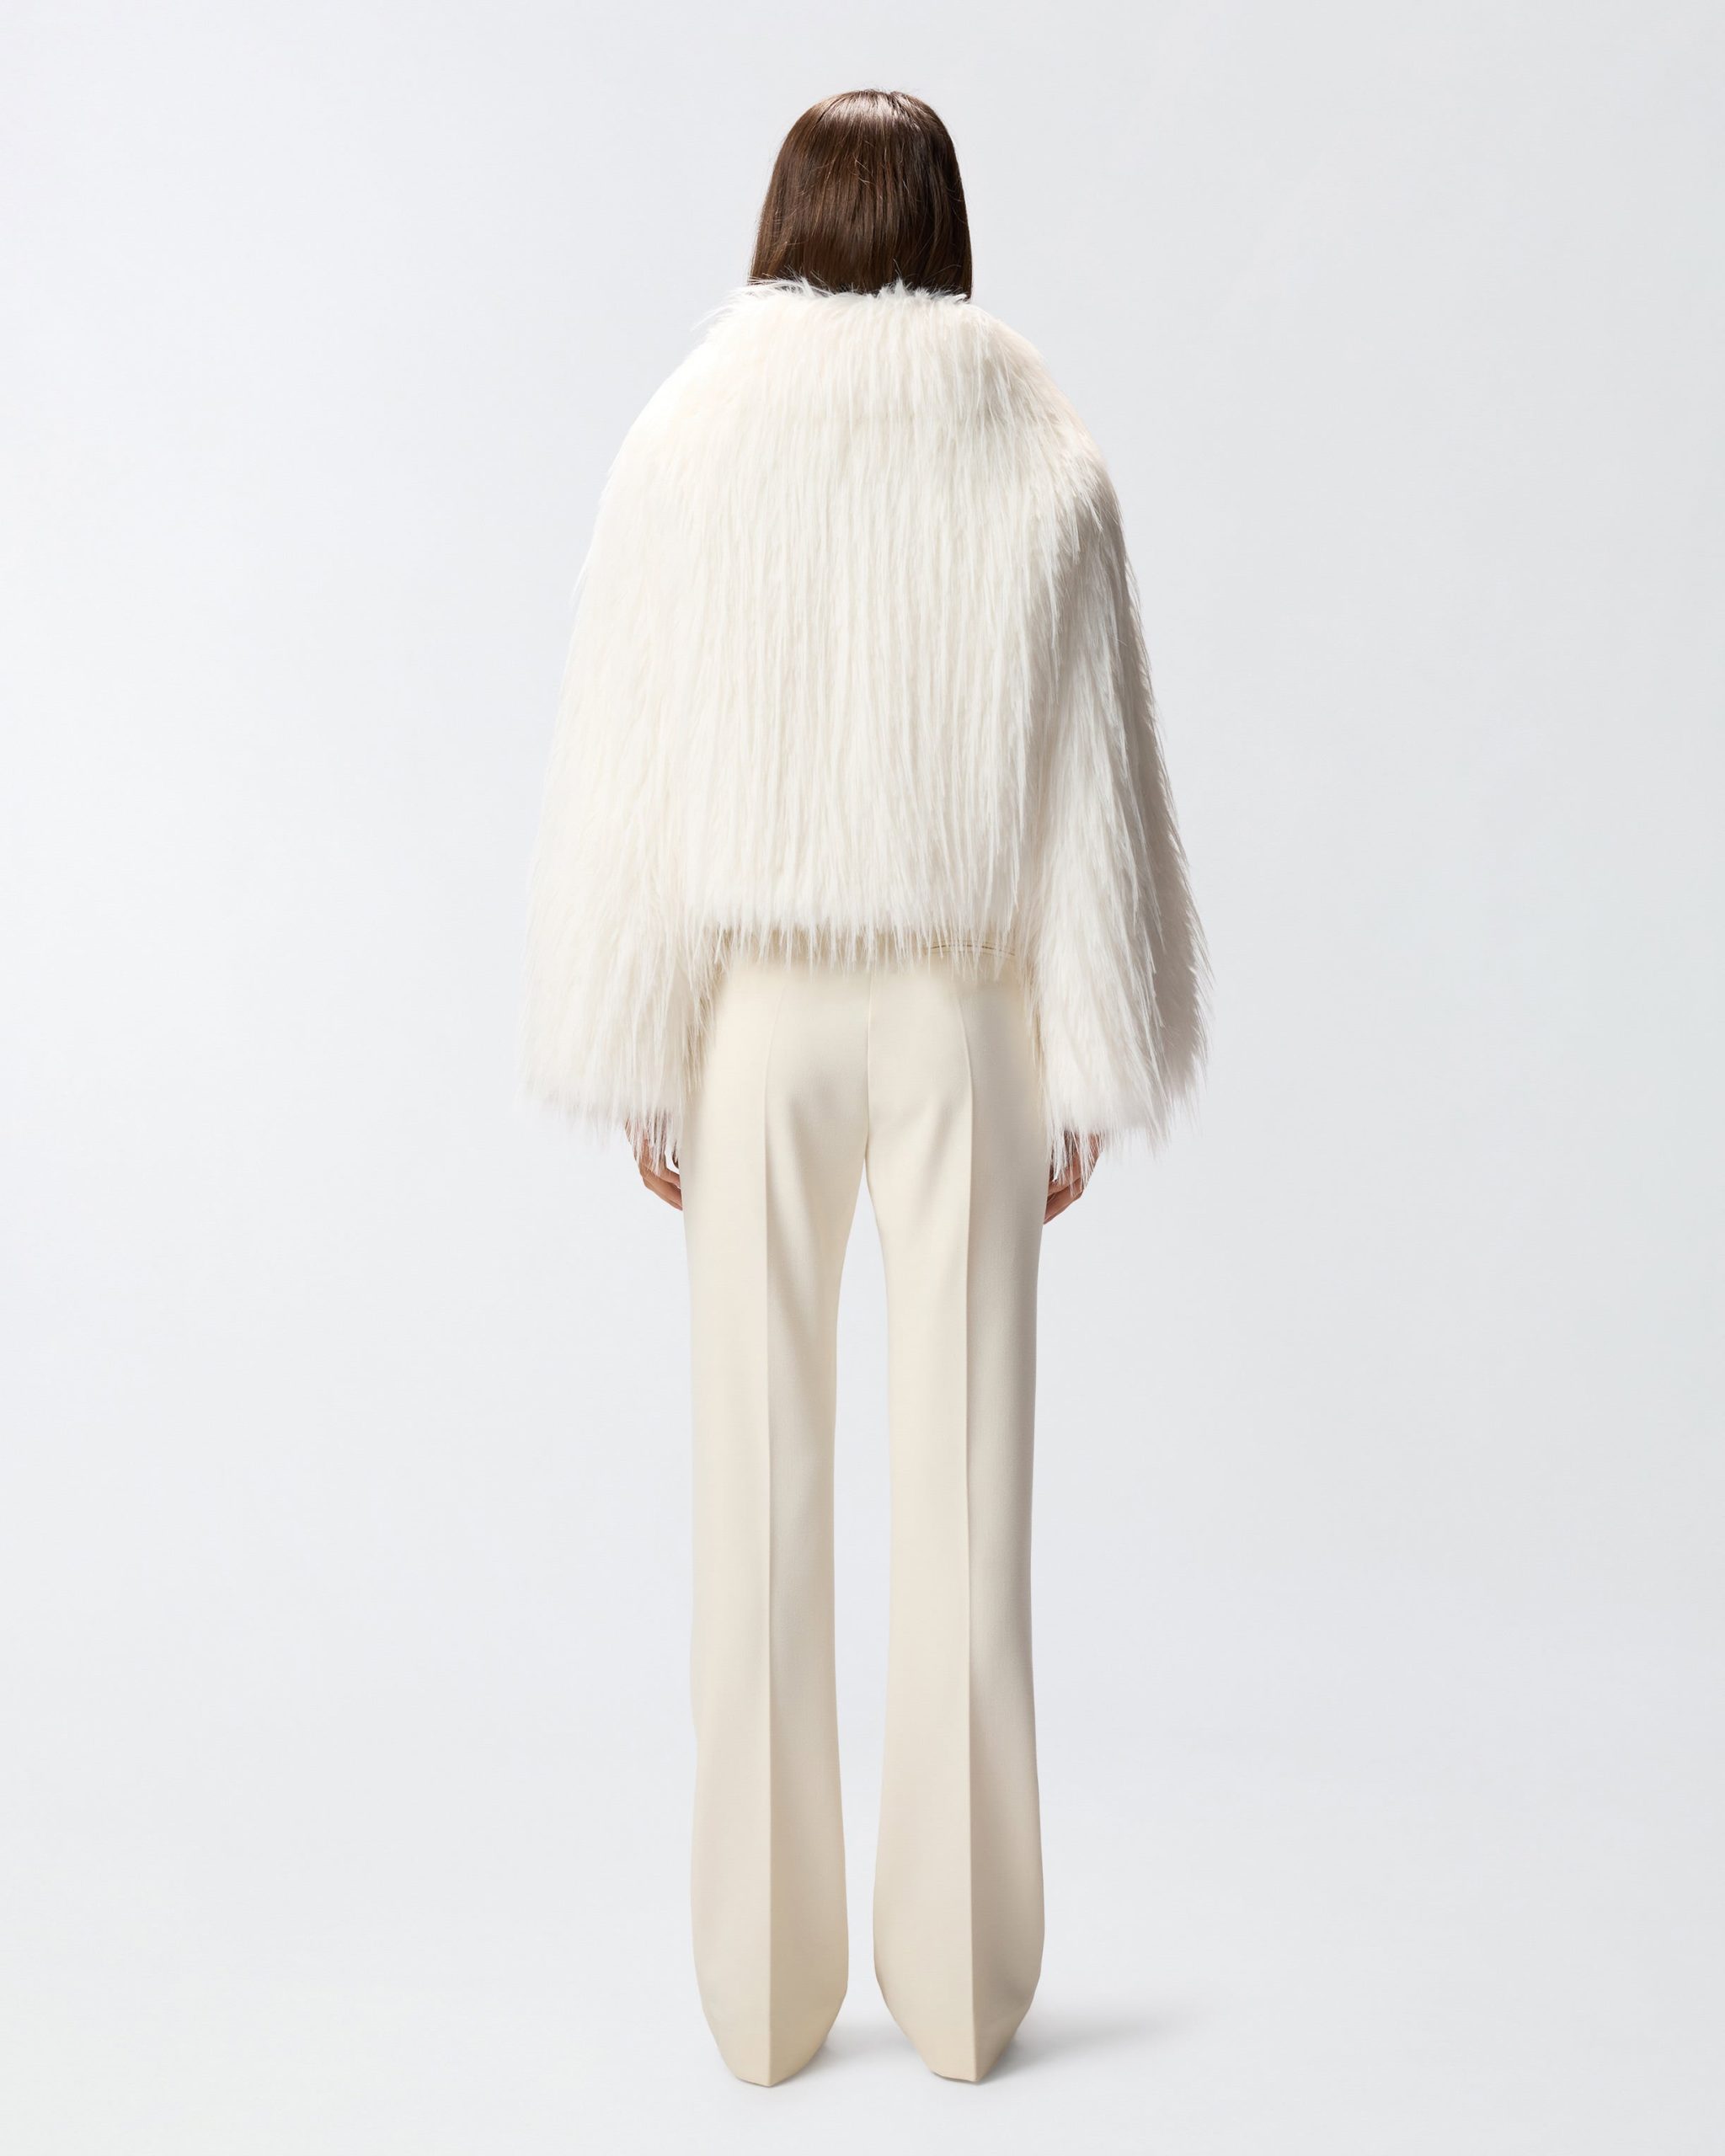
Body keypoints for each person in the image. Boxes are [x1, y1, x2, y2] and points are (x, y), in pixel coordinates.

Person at [522, 88, 1208, 2087]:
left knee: (754, 1486)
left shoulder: (684, 442)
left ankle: (759, 1991)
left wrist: (639, 1036)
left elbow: (625, 765)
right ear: (942, 222)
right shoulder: (1039, 451)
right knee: (968, 1491)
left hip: (754, 1010)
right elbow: (1087, 783)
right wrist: (1086, 1053)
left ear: (785, 217)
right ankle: (966, 1991)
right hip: (966, 1008)